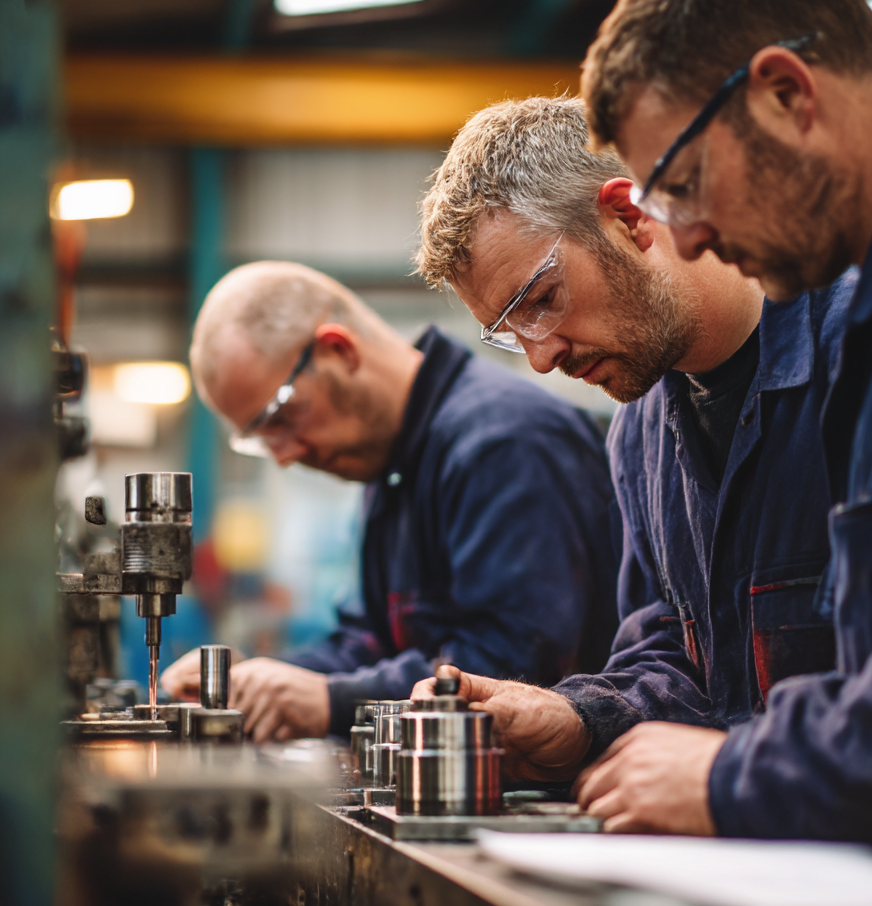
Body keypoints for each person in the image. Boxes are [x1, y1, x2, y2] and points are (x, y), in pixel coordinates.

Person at [462, 0, 872, 875]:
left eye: (683, 184)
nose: (683, 236)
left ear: (785, 94)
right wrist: (591, 718)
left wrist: (733, 775)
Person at [414, 96, 855, 801]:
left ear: (629, 216)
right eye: (512, 333)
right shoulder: (640, 435)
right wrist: (579, 720)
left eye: (541, 299)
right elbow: (674, 655)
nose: (541, 357)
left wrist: (730, 775)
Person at [161, 261, 619, 742]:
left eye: (281, 417)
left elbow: (515, 665)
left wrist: (333, 701)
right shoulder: (394, 464)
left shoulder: (505, 441)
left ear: (339, 351)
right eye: (261, 440)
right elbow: (366, 645)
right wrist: (257, 682)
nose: (284, 456)